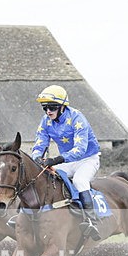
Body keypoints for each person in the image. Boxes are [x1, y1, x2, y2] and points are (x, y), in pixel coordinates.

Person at [31, 85, 102, 240]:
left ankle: (91, 220)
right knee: (44, 176)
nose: (48, 111)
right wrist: (36, 156)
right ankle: (28, 214)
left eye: (52, 107)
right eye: (45, 108)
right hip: (68, 161)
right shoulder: (46, 121)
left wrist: (55, 159)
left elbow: (80, 150)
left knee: (79, 180)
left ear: (63, 107)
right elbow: (40, 142)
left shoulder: (77, 118)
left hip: (88, 159)